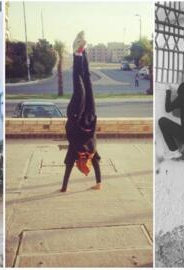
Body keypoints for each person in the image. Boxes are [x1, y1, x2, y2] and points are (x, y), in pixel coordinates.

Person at [61, 31, 101, 193]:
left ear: (80, 164)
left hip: (76, 116)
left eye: (85, 168)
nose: (88, 166)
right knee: (88, 81)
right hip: (90, 117)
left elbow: (68, 168)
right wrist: (98, 184)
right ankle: (83, 51)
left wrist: (64, 188)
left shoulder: (74, 153)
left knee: (79, 86)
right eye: (88, 168)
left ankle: (76, 53)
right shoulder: (92, 153)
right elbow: (97, 164)